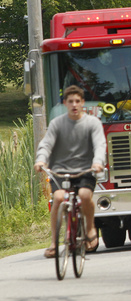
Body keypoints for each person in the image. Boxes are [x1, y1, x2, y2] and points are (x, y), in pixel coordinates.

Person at [34, 86, 106, 258]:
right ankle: (53, 243)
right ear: (65, 103)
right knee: (58, 198)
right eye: (70, 101)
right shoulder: (57, 123)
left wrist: (97, 163)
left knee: (84, 195)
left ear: (82, 103)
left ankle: (89, 228)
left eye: (77, 101)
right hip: (60, 170)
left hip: (85, 170)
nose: (74, 105)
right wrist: (41, 160)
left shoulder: (92, 123)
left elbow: (99, 145)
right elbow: (46, 144)